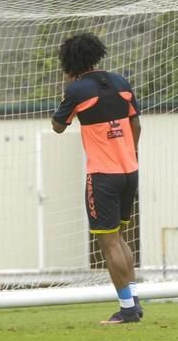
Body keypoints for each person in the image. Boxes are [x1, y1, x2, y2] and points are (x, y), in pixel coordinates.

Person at [51, 33, 142, 324]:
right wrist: (128, 152)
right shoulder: (121, 83)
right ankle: (134, 301)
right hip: (130, 171)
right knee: (121, 238)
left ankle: (127, 310)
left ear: (70, 62)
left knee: (108, 243)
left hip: (102, 175)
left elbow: (57, 126)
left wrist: (69, 92)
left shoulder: (77, 90)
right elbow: (136, 124)